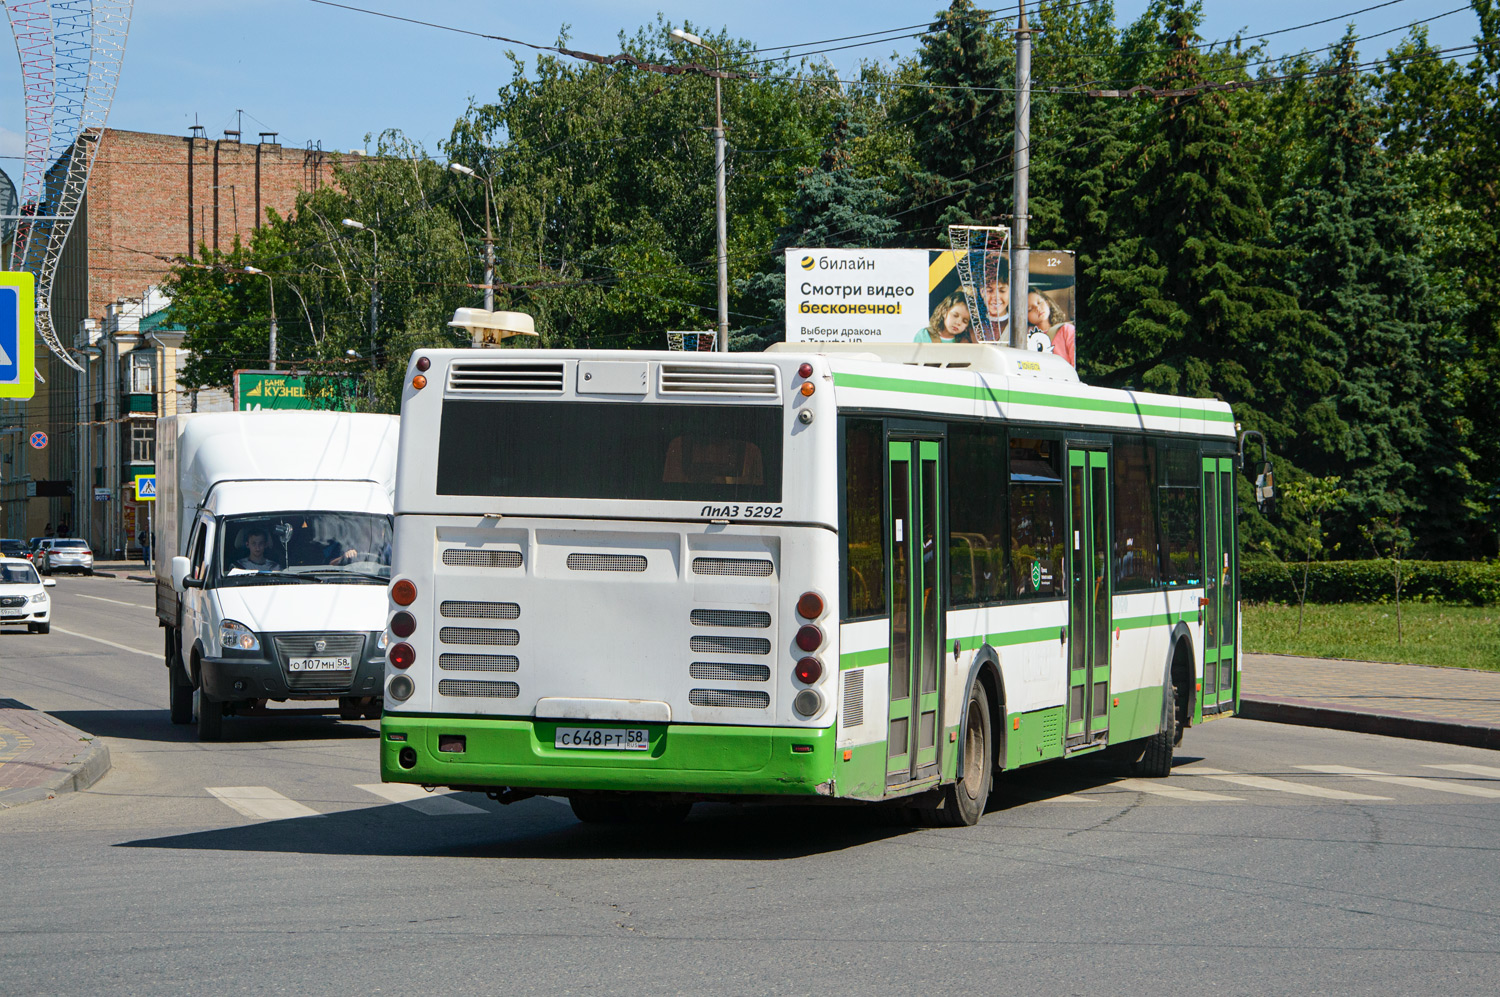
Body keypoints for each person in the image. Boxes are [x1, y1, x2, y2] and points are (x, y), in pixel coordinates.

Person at [980, 278, 1009, 342]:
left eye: (1002, 291)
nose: (995, 297)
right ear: (981, 292)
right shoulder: (971, 328)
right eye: (989, 290)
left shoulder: (1022, 326)